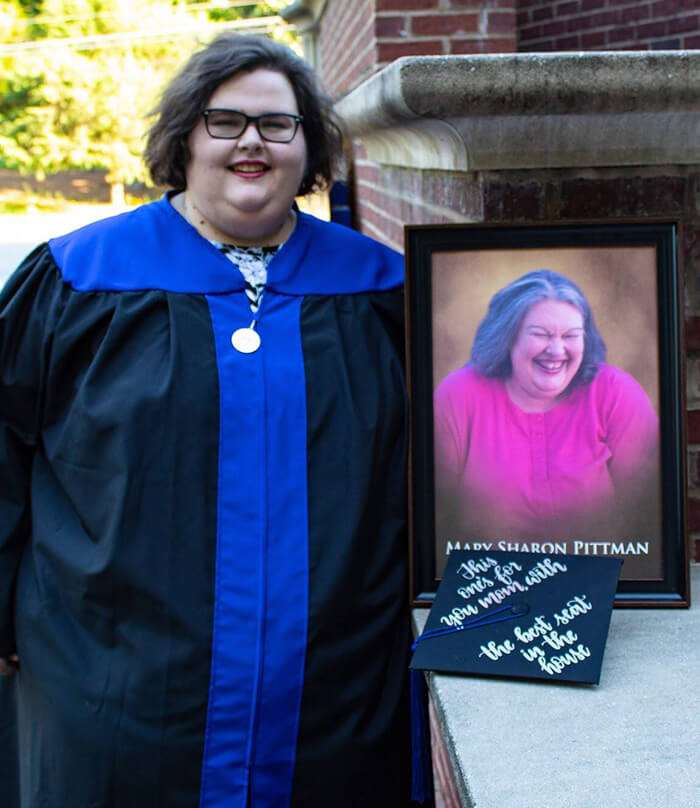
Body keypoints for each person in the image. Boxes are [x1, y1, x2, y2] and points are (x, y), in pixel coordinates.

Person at [0, 34, 416, 807]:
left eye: (278, 124)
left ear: (309, 146)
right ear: (185, 137)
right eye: (224, 121)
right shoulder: (77, 278)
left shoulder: (380, 289)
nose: (252, 140)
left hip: (336, 694)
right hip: (113, 691)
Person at [433, 269, 660, 550]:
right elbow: (437, 516)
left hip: (598, 578)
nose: (556, 350)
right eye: (540, 334)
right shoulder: (459, 394)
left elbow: (646, 517)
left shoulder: (617, 394)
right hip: (486, 583)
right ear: (508, 338)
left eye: (571, 335)